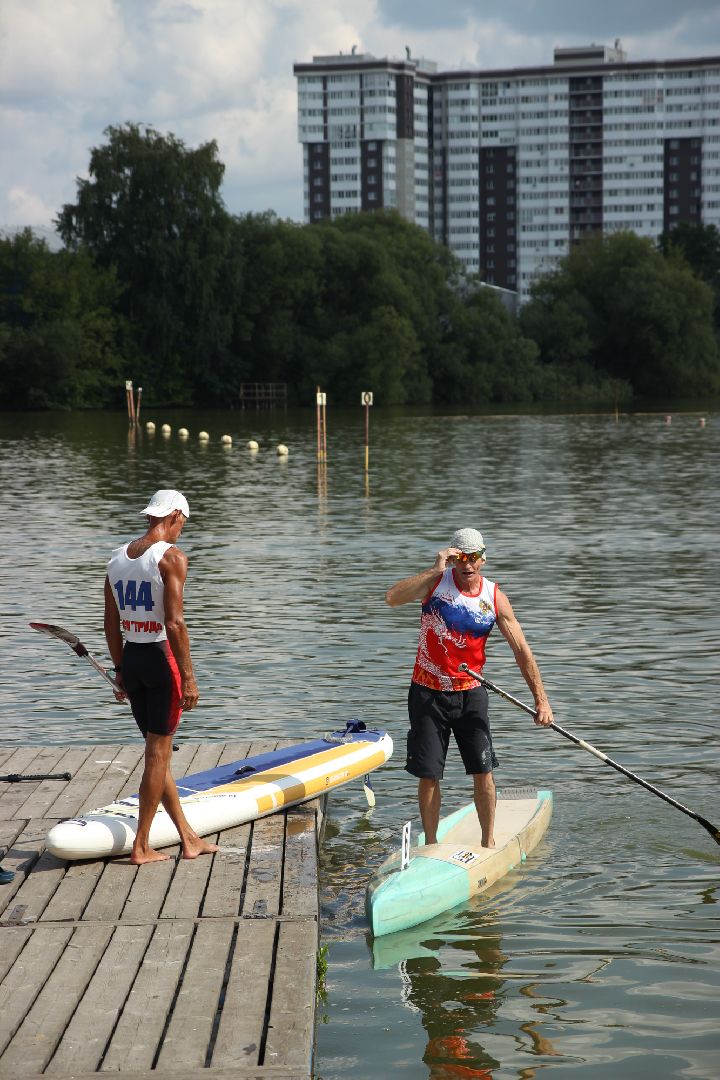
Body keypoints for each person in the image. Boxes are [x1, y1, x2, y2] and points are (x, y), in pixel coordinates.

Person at [385, 527, 553, 849]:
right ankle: (431, 845)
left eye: (473, 557)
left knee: (483, 772)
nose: (467, 564)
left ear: (483, 559)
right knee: (429, 774)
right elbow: (392, 598)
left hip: (470, 694)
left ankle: (488, 844)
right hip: (427, 693)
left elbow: (522, 651)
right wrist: (434, 570)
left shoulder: (494, 597)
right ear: (452, 558)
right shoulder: (434, 584)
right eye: (460, 557)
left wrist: (541, 701)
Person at [104, 488, 218, 865]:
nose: (182, 529)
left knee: (158, 755)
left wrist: (120, 670)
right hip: (160, 659)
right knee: (157, 754)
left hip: (133, 658)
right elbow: (175, 623)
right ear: (173, 516)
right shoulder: (171, 558)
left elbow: (111, 623)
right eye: (183, 522)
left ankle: (188, 838)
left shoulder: (116, 559)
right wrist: (188, 678)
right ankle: (141, 846)